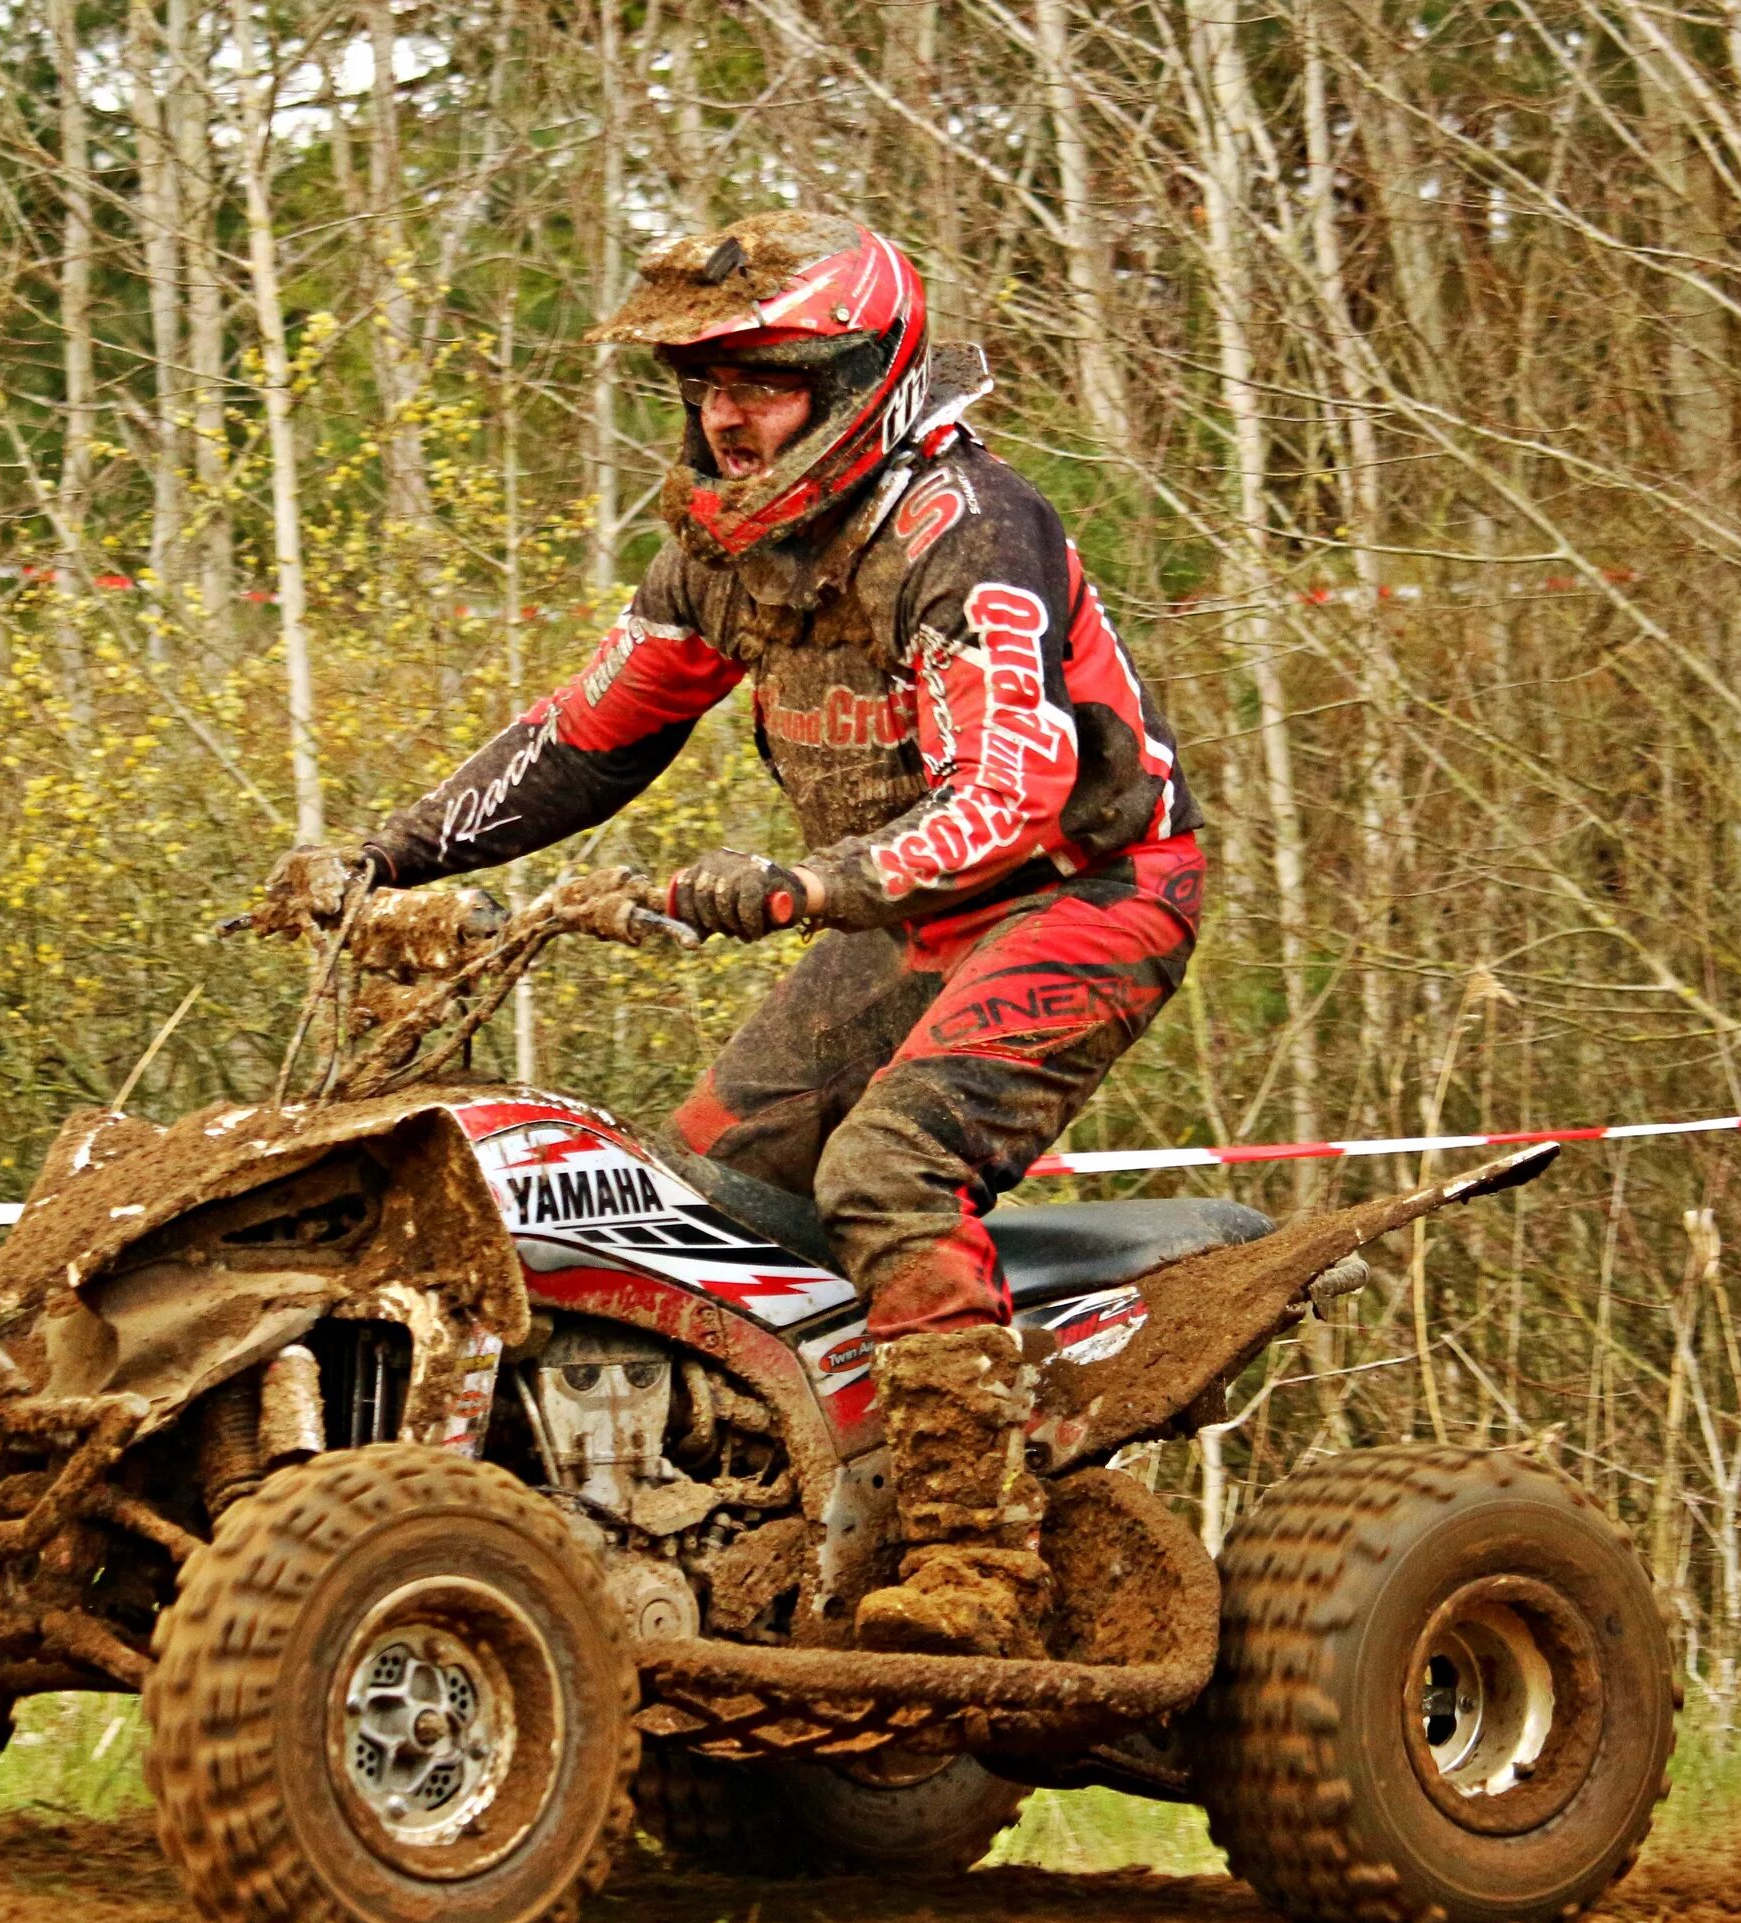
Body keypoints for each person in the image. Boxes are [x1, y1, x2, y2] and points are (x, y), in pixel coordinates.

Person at [270, 211, 1202, 1659]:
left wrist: (797, 883)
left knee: (889, 1167)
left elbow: (1014, 795)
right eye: (704, 381)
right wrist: (381, 856)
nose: (724, 413)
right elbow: (583, 738)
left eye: (763, 379)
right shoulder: (727, 554)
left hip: (1085, 893)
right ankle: (789, 1513)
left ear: (852, 381)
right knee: (706, 1198)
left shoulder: (961, 531)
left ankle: (974, 1562)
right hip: (902, 917)